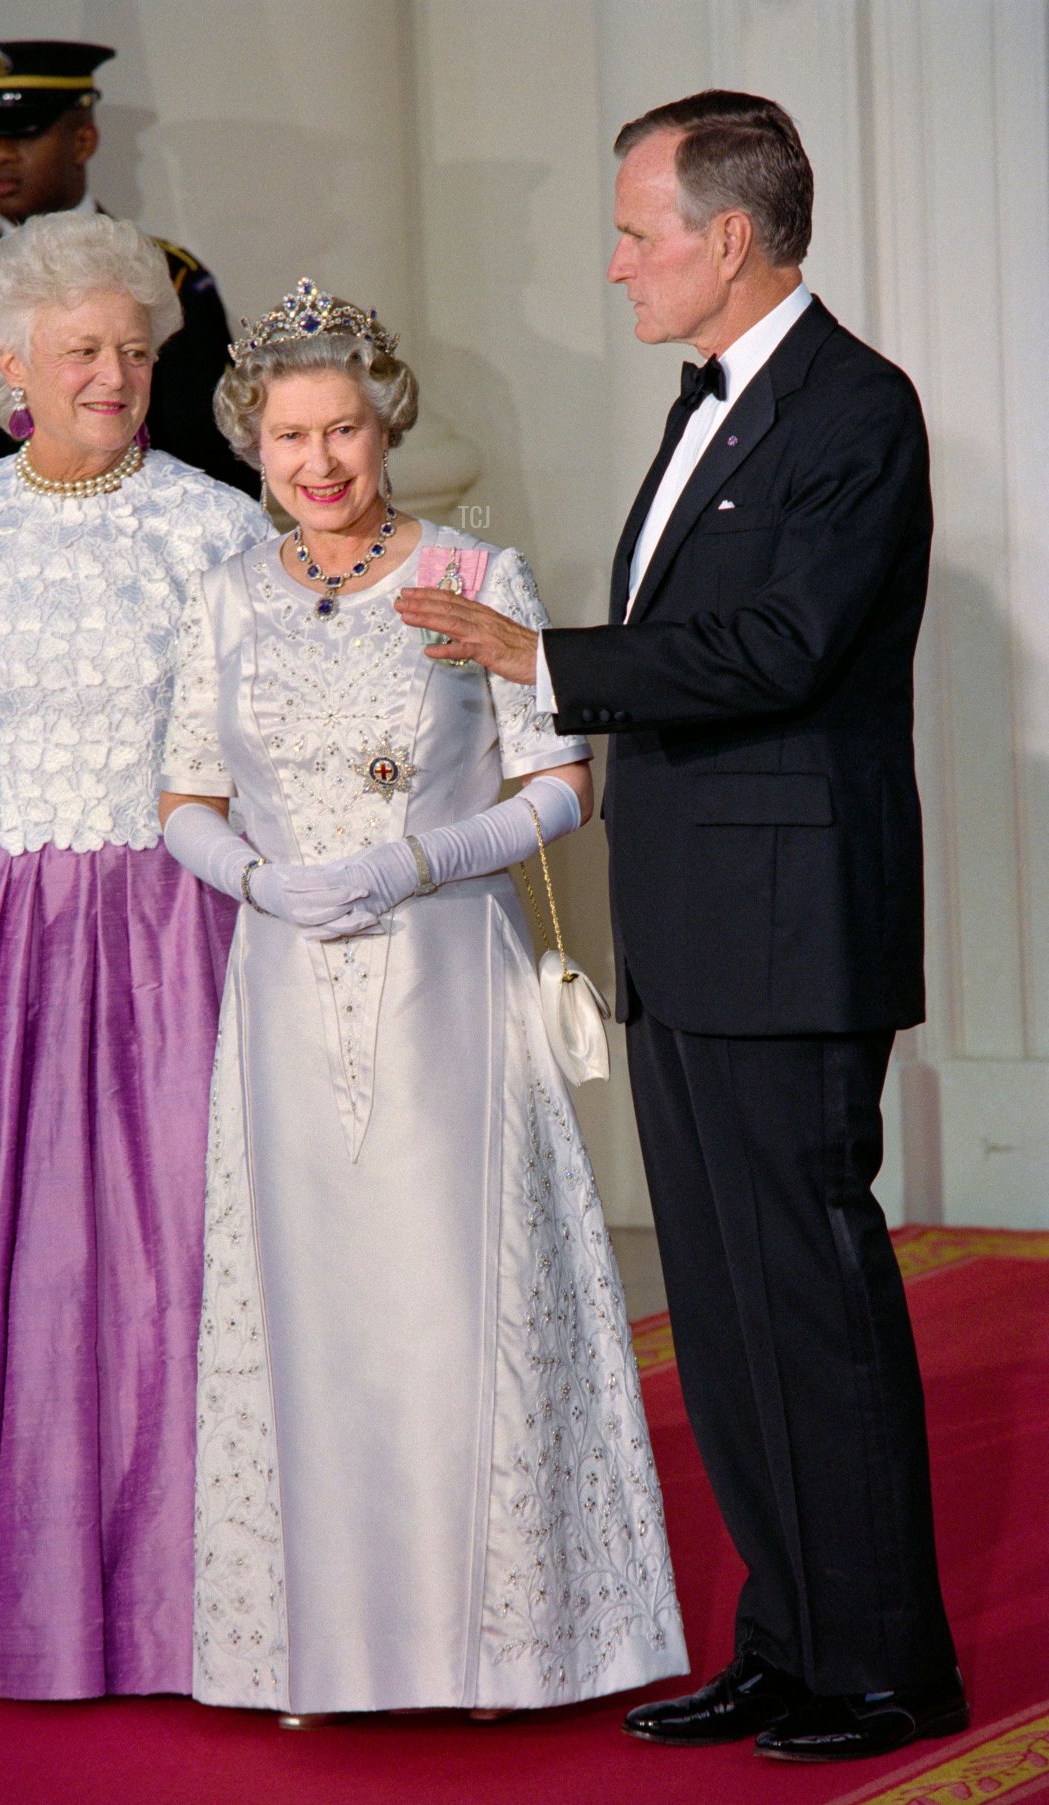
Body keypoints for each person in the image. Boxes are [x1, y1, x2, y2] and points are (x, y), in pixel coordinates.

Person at [395, 90, 966, 1763]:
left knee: (811, 1295)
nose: (619, 260)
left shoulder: (857, 407)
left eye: (640, 230)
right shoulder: (717, 402)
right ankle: (788, 1647)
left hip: (793, 927)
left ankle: (889, 1667)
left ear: (729, 237)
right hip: (702, 924)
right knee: (723, 1304)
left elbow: (785, 647)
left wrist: (544, 666)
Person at [157, 279, 687, 1721]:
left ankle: (497, 1646)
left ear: (384, 424)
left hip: (446, 976)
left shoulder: (475, 574)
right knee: (315, 1311)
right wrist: (258, 887)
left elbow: (561, 786)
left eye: (342, 431)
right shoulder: (223, 597)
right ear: (252, 447)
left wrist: (423, 860)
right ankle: (328, 1649)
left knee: (451, 1297)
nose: (319, 464)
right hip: (280, 991)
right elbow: (184, 796)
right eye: (287, 440)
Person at [0, 211, 269, 1710]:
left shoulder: (216, 526)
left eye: (135, 351)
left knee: (173, 1268)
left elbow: (256, 753)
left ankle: (181, 1614)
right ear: (9, 368)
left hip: (171, 931)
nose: (115, 375)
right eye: (85, 350)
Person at [0, 39, 259, 497]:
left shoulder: (167, 278)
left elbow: (212, 450)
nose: (0, 154)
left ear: (83, 141)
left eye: (24, 134)